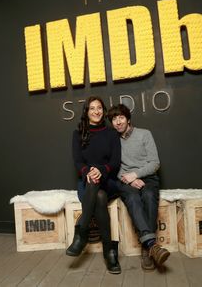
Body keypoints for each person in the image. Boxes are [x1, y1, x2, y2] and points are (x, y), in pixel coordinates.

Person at [107, 104, 170, 271]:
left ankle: (146, 248)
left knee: (149, 196)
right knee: (134, 198)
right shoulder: (113, 140)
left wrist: (136, 175)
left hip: (147, 178)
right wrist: (128, 179)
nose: (118, 122)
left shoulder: (144, 134)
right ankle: (151, 246)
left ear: (128, 119)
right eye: (114, 119)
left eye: (121, 117)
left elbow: (155, 163)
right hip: (125, 180)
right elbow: (113, 166)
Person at [66, 96, 121, 274]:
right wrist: (88, 172)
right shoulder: (78, 134)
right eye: (92, 108)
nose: (96, 111)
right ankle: (109, 251)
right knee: (98, 196)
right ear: (87, 112)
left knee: (101, 191)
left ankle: (81, 233)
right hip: (87, 183)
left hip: (109, 181)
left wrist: (101, 171)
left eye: (99, 108)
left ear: (103, 111)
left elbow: (115, 162)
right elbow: (77, 162)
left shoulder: (112, 133)